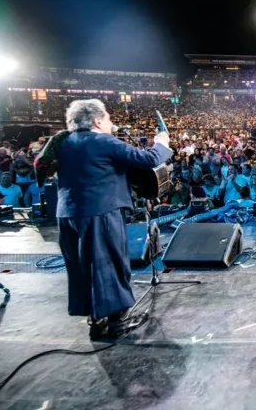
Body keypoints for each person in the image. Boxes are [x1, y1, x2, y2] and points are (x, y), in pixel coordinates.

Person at [53, 99, 173, 340]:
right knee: (109, 263)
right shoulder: (101, 140)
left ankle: (96, 318)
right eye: (107, 118)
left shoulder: (62, 141)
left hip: (67, 213)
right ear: (97, 121)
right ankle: (117, 321)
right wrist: (162, 143)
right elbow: (149, 159)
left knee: (82, 267)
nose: (110, 123)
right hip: (100, 212)